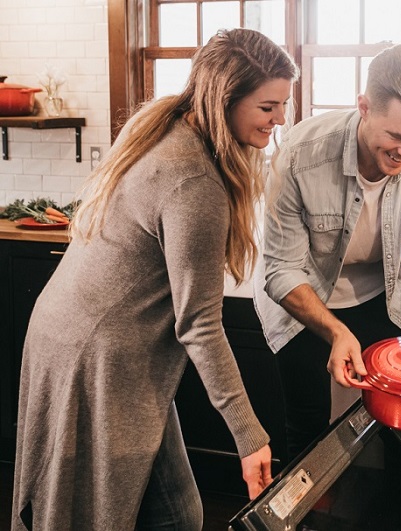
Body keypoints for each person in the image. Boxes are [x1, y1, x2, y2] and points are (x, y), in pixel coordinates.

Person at [12, 28, 298, 530]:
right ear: (223, 98)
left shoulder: (163, 123)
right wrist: (251, 437)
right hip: (100, 356)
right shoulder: (193, 181)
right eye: (268, 107)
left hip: (72, 336)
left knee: (175, 512)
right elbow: (201, 327)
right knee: (146, 516)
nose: (279, 119)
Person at [253, 42, 401, 462]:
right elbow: (281, 268)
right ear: (364, 107)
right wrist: (335, 332)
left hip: (377, 294)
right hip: (301, 296)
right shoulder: (301, 154)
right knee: (309, 424)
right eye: (397, 136)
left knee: (400, 420)